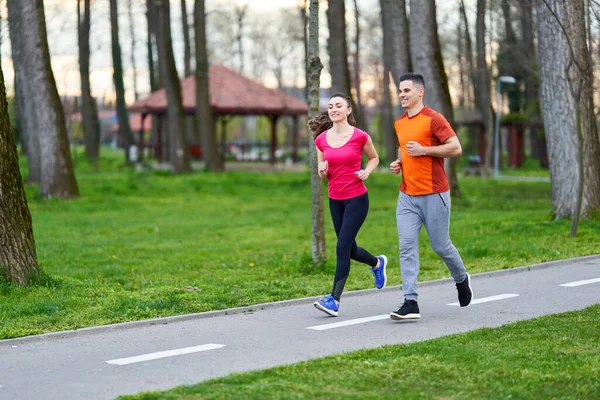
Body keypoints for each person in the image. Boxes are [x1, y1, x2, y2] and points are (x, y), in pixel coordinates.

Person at [389, 73, 473, 320]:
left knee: (440, 245)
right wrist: (398, 163)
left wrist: (425, 150)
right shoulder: (400, 123)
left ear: (420, 92)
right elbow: (404, 148)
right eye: (400, 91)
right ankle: (410, 302)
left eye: (406, 91)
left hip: (434, 194)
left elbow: (456, 147)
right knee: (406, 247)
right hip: (407, 196)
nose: (402, 95)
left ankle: (461, 278)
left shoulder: (434, 119)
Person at [308, 92, 387, 317]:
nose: (333, 109)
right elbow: (322, 172)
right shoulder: (321, 139)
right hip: (335, 200)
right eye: (331, 106)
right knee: (349, 249)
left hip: (357, 199)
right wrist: (323, 171)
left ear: (348, 110)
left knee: (341, 247)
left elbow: (374, 158)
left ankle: (334, 300)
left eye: (338, 105)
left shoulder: (360, 136)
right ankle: (376, 263)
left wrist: (367, 171)